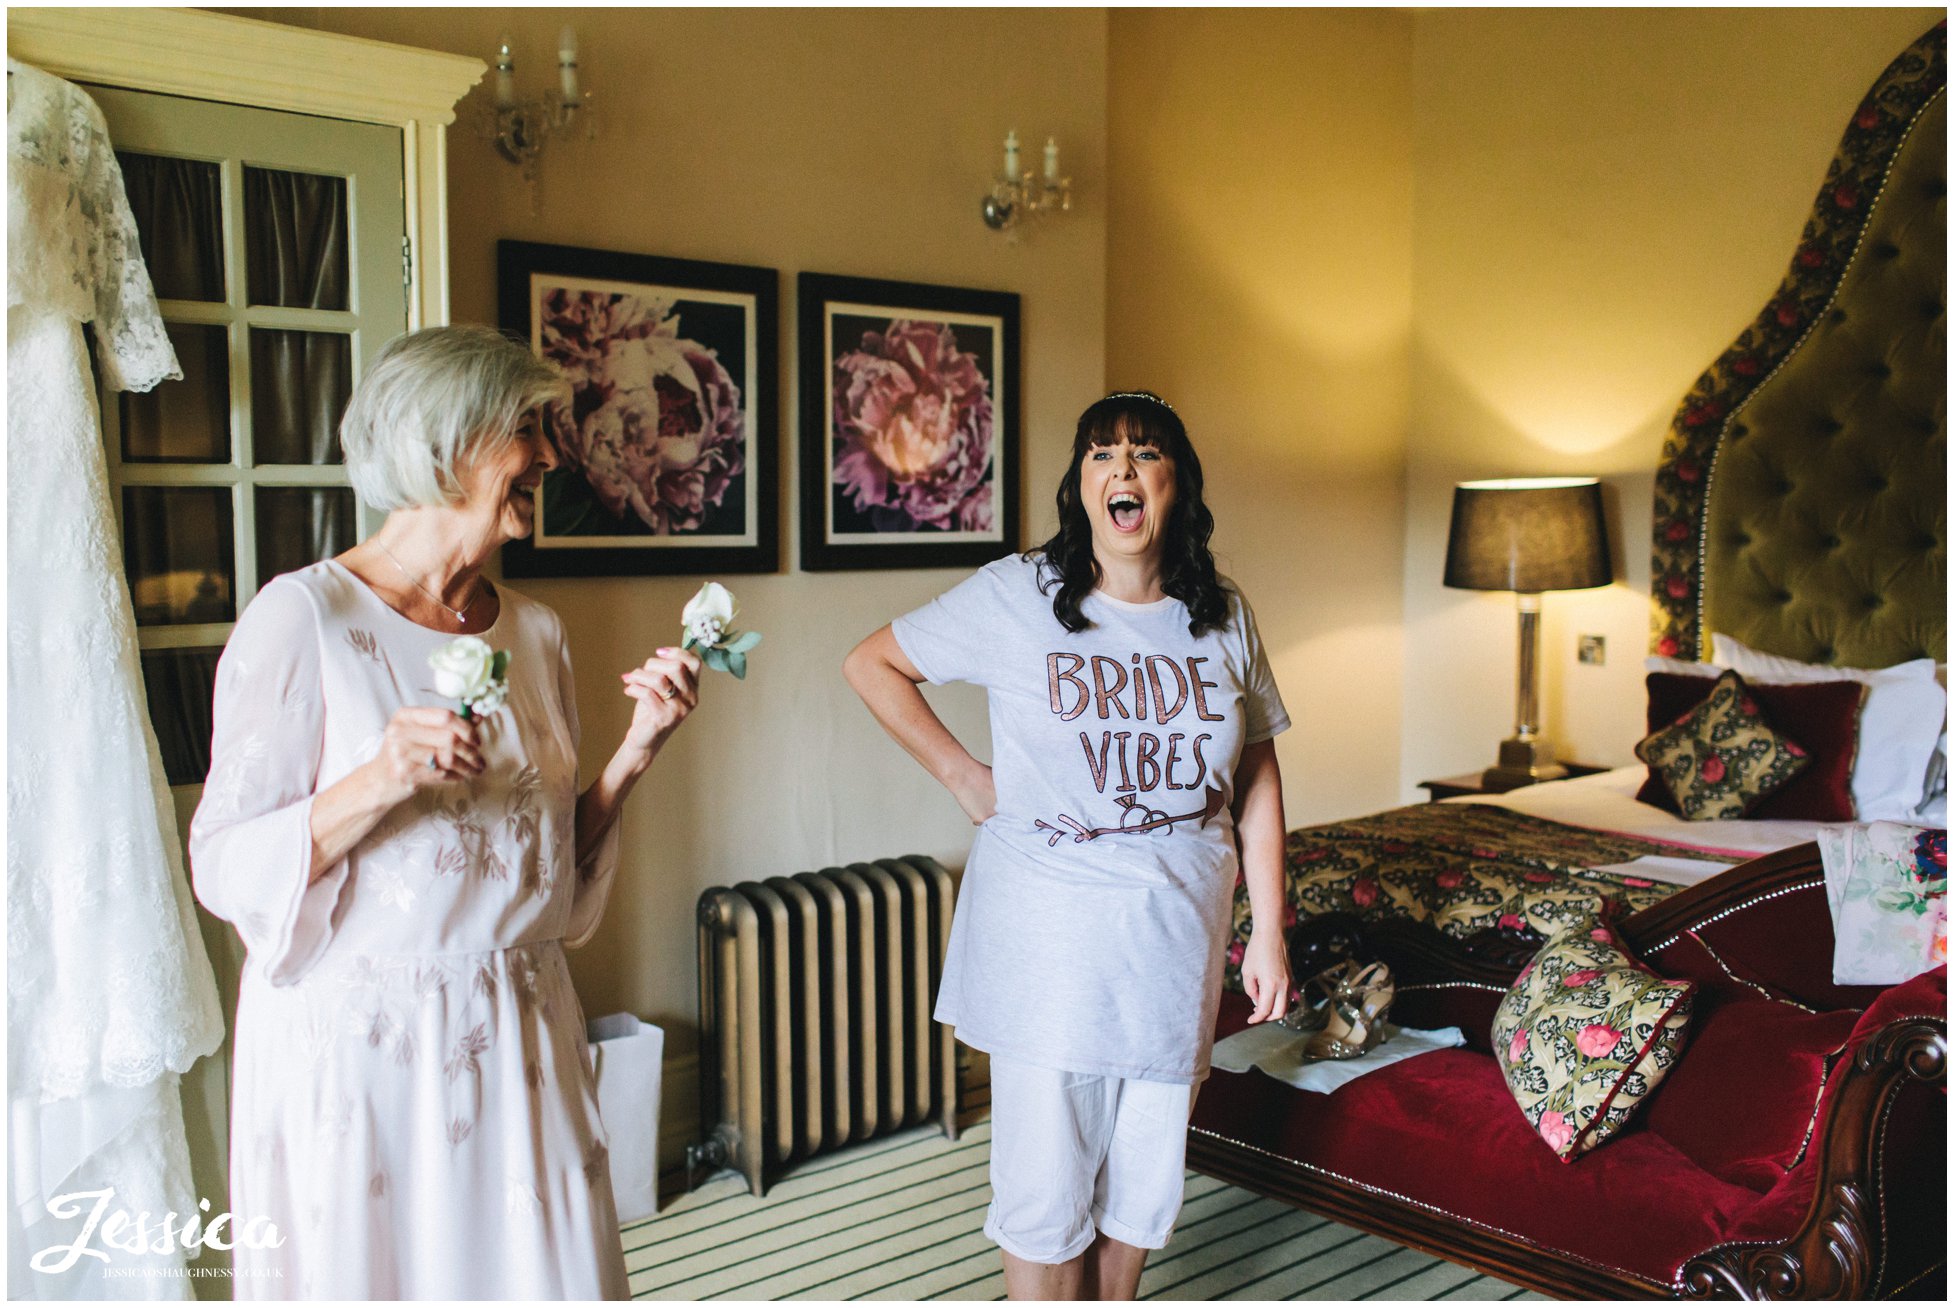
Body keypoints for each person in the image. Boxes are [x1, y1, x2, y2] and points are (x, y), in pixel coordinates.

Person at [189, 325, 701, 1299]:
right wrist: (382, 774)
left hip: (520, 1032)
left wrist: (638, 750)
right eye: (524, 430)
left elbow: (543, 867)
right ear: (442, 444)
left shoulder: (536, 634)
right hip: (365, 1060)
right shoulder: (306, 620)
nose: (549, 455)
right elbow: (222, 863)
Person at [844, 391, 1293, 1300]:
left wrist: (1271, 929)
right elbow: (873, 663)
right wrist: (967, 777)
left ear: (1178, 486)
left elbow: (1256, 775)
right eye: (1101, 454)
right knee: (1048, 1188)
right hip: (1047, 940)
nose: (1122, 470)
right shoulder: (1021, 596)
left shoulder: (1223, 615)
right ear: (1080, 486)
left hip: (1175, 937)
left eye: (1144, 454)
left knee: (1142, 1181)